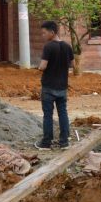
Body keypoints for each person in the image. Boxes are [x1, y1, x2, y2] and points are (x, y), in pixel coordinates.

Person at [36, 20, 73, 150]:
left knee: (48, 115)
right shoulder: (67, 46)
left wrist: (39, 68)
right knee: (63, 113)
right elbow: (72, 65)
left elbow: (42, 66)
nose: (43, 36)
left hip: (49, 87)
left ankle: (46, 142)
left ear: (52, 32)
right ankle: (64, 142)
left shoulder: (48, 47)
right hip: (62, 87)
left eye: (44, 33)